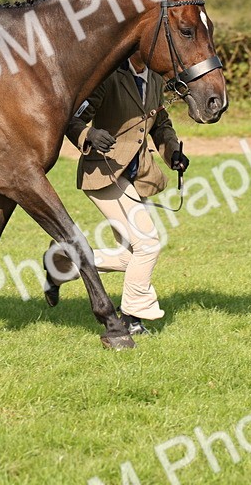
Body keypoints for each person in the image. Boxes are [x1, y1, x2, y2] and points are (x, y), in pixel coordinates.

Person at [43, 52, 189, 335]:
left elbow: (160, 124)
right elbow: (72, 118)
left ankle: (61, 260)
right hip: (104, 172)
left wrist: (173, 153)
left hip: (137, 175)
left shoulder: (155, 79)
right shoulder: (107, 77)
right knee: (147, 245)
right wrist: (88, 135)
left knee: (128, 255)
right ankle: (132, 317)